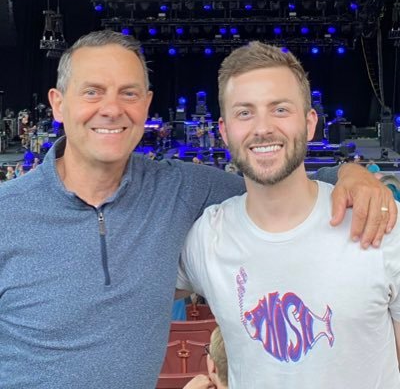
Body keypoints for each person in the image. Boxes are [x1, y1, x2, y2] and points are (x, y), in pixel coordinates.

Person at [0, 31, 396, 389]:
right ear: (57, 103)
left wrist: (350, 172)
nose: (111, 108)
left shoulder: (178, 189)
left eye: (129, 93)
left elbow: (270, 178)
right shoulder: (7, 214)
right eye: (92, 92)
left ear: (146, 104)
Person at [177, 42, 400, 388]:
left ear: (310, 123)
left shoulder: (382, 222)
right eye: (245, 112)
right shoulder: (207, 238)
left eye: (280, 109)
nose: (263, 127)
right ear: (223, 131)